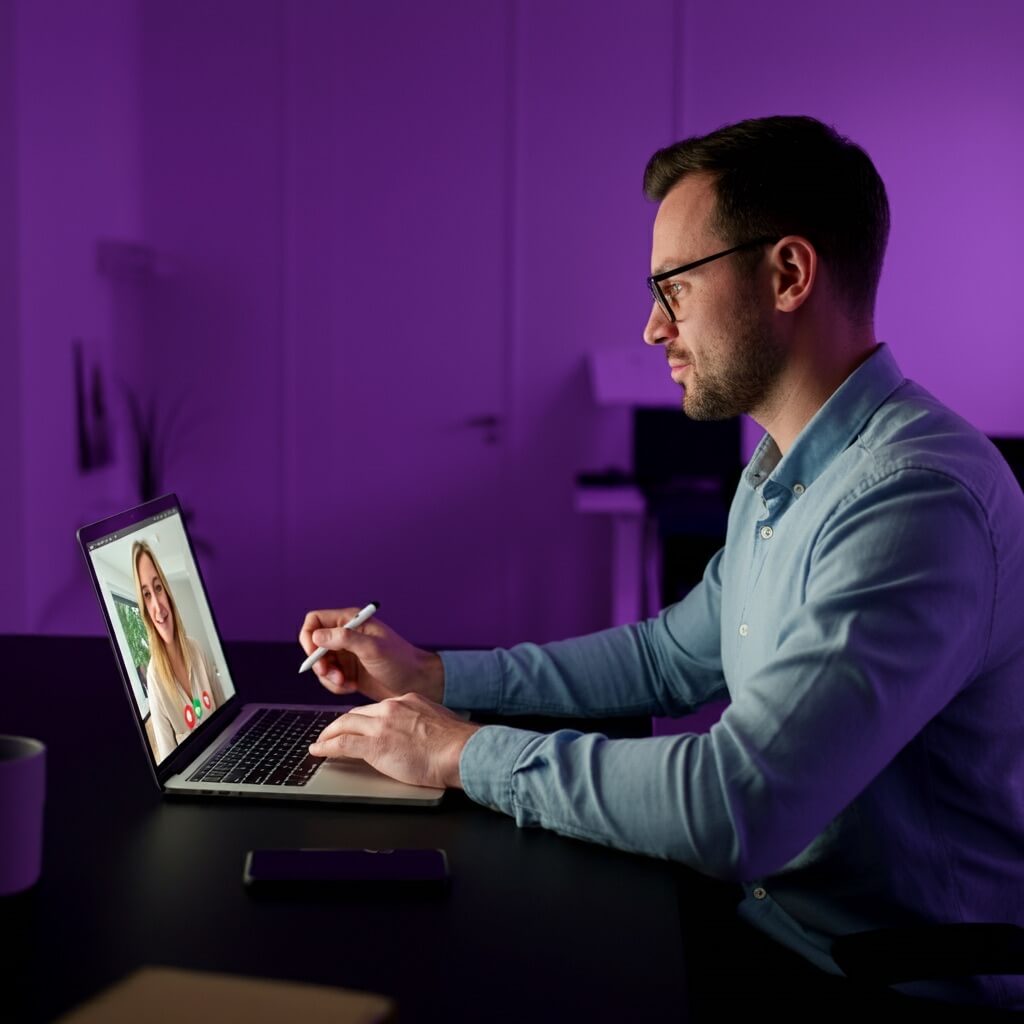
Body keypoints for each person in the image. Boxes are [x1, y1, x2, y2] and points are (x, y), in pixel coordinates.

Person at [299, 116, 1024, 1010]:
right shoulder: (782, 472)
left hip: (875, 980)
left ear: (788, 274)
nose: (651, 328)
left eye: (673, 288)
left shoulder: (913, 501)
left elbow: (735, 804)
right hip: (769, 923)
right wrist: (431, 675)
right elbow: (665, 658)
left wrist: (462, 755)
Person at [132, 540, 225, 760]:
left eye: (158, 588)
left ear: (167, 592)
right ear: (145, 610)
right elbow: (168, 761)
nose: (157, 605)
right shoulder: (154, 678)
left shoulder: (196, 647)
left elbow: (226, 717)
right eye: (146, 595)